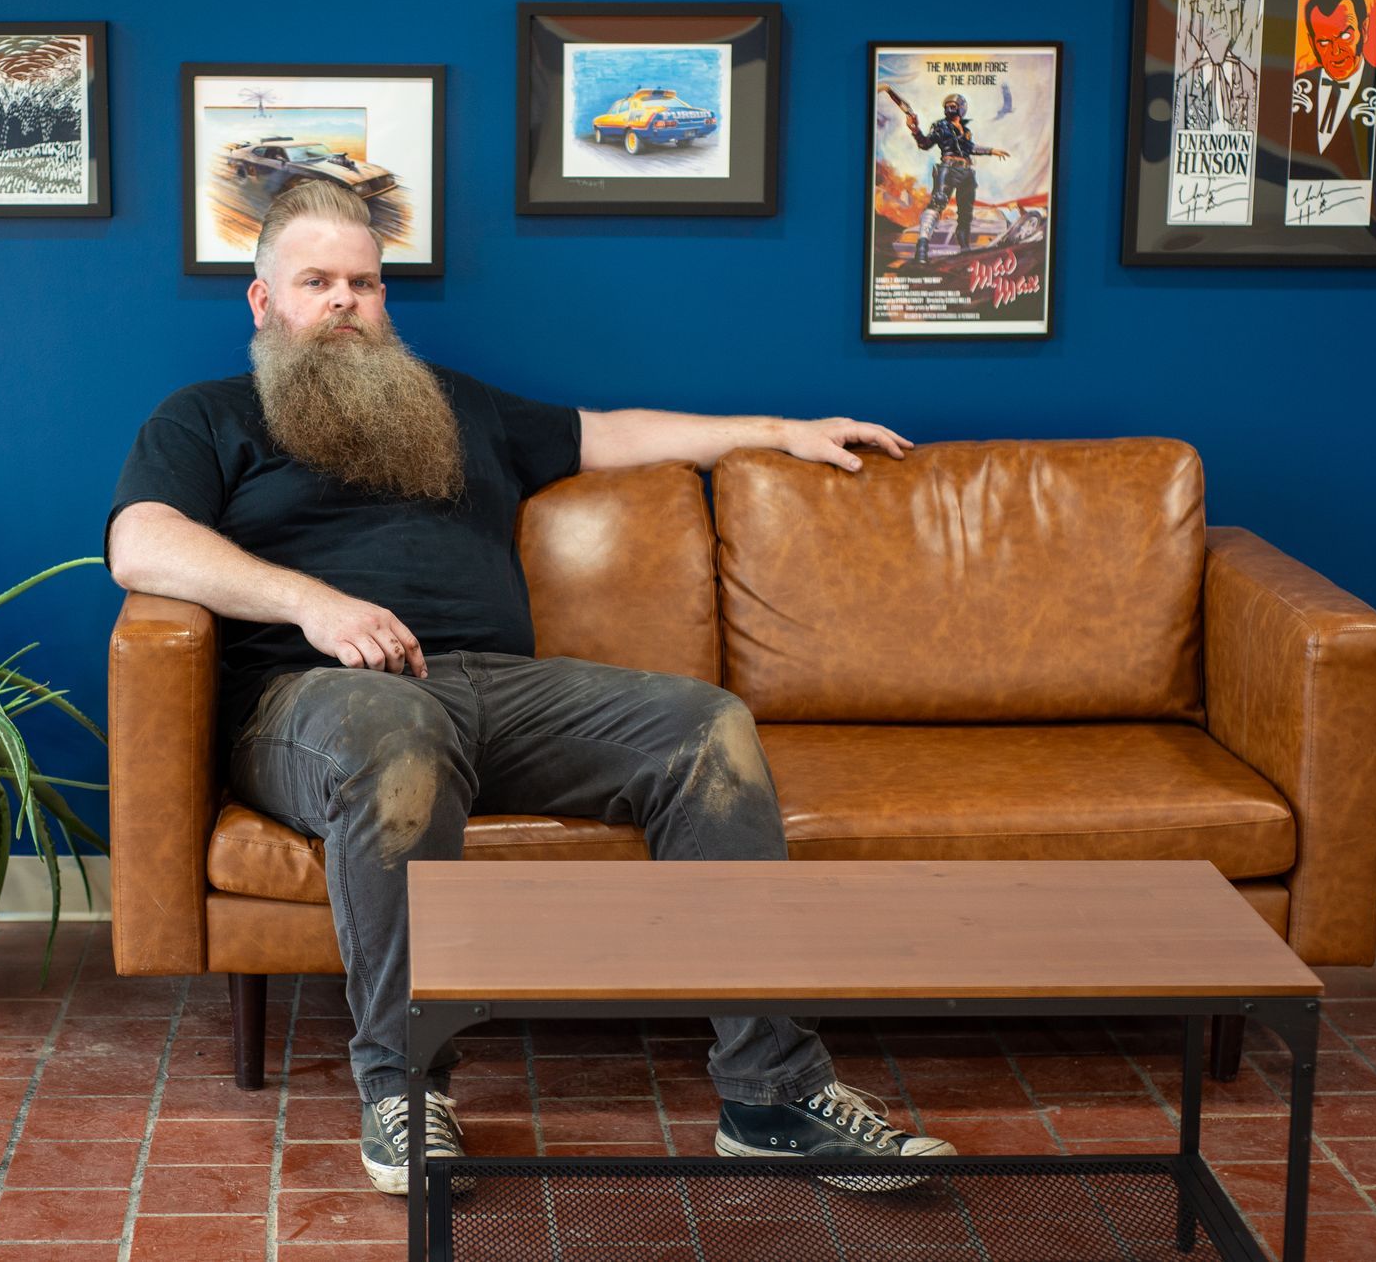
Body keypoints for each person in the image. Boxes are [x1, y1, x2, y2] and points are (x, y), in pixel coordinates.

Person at [106, 180, 957, 1195]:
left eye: (365, 284)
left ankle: (770, 1092)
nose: (344, 302)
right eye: (317, 282)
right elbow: (138, 541)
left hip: (497, 689)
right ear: (264, 302)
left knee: (705, 726)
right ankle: (406, 1087)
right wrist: (311, 605)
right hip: (317, 697)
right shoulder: (208, 417)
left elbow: (614, 432)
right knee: (394, 734)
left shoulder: (454, 404)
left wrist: (779, 427)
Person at [885, 88, 1010, 260]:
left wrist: (991, 150)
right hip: (948, 168)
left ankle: (964, 250)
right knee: (938, 203)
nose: (949, 109)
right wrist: (914, 129)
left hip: (966, 172)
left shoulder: (965, 131)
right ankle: (922, 248)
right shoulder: (940, 126)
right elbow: (925, 143)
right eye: (947, 106)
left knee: (966, 213)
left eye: (953, 106)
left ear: (961, 108)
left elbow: (970, 148)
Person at [1287, 0, 1376, 182]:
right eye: (1324, 42)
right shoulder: (1295, 85)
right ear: (1312, 43)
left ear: (1364, 29)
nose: (1336, 52)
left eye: (1345, 36)